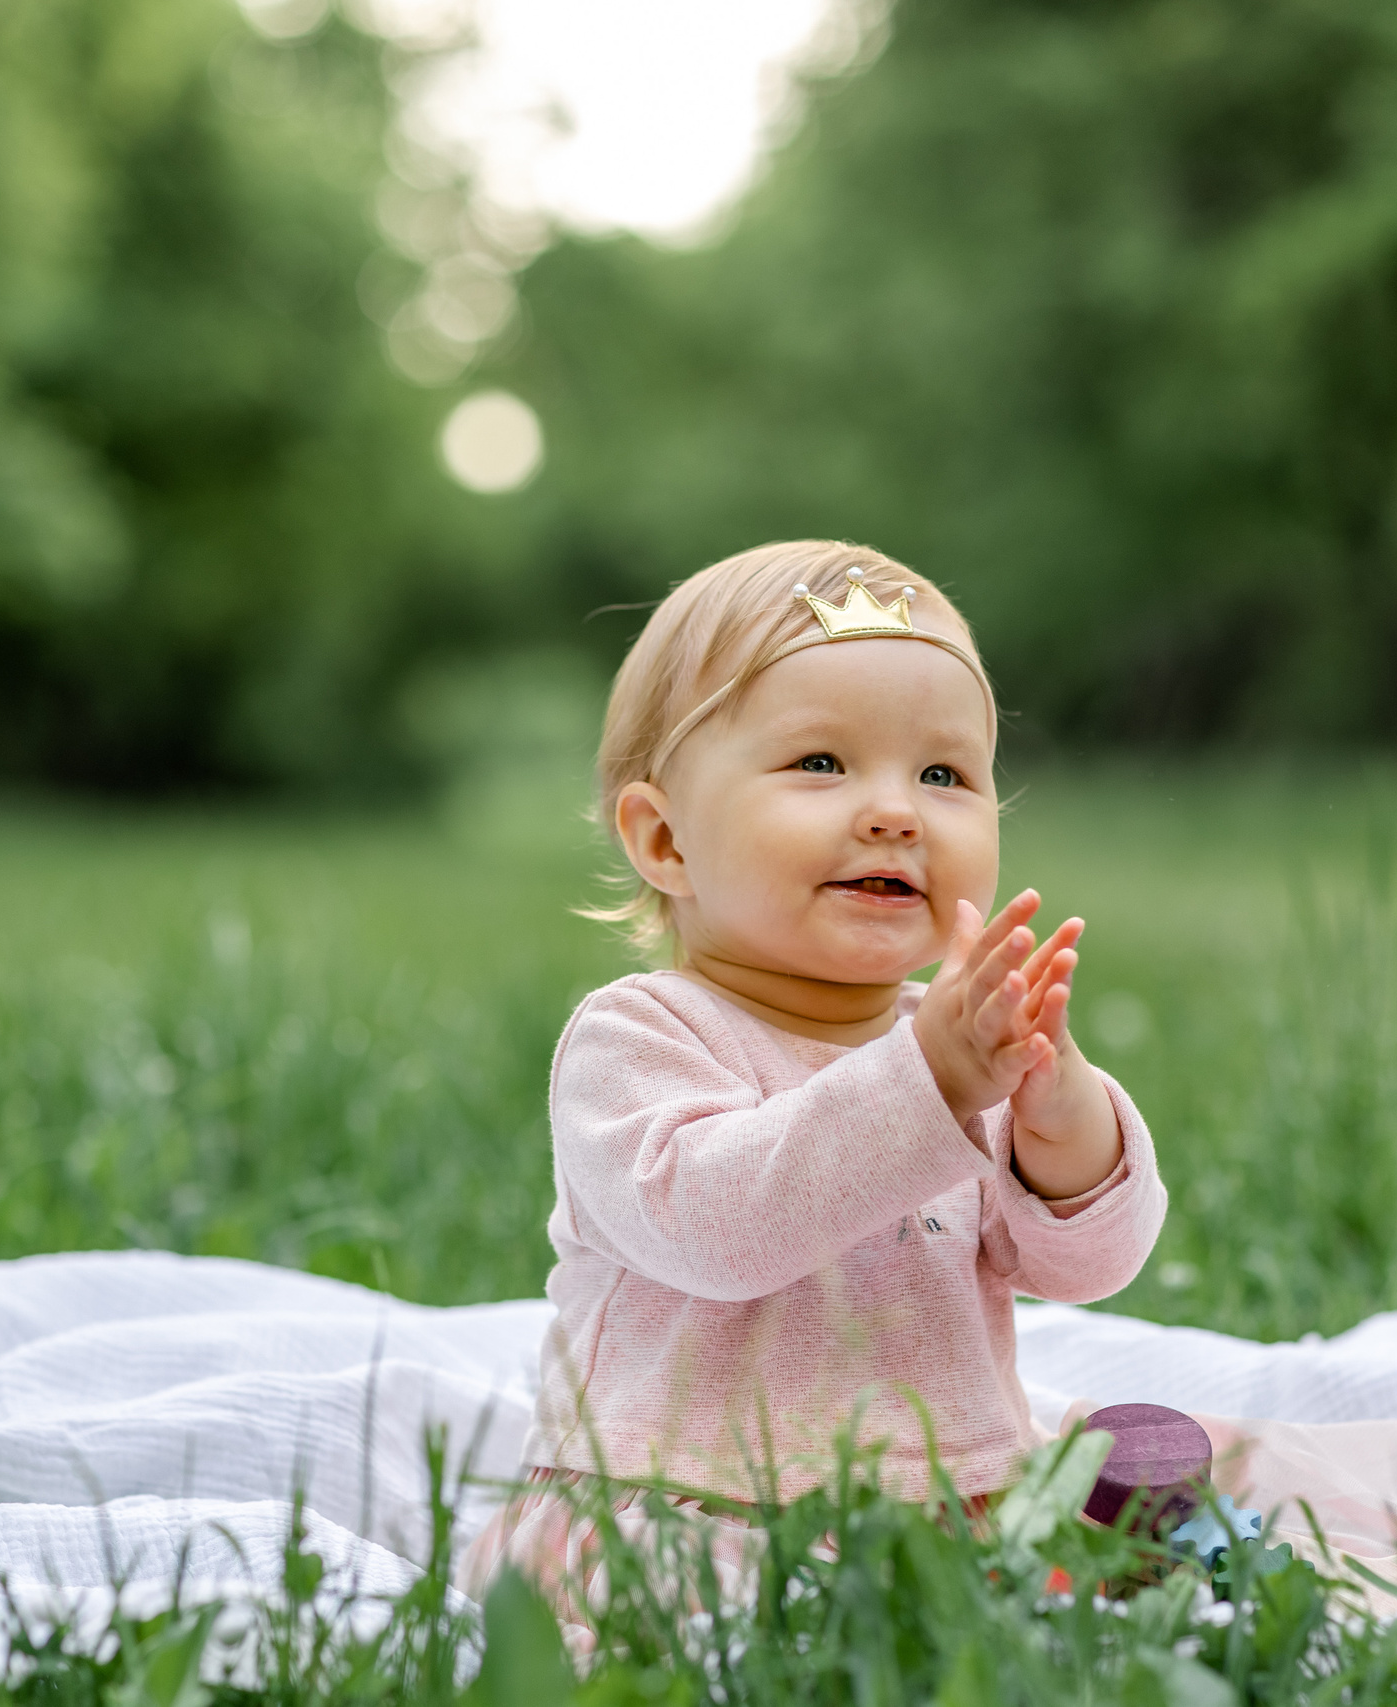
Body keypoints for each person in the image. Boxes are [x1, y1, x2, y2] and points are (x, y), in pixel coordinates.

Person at [458, 539, 1170, 1610]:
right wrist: (930, 1079)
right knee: (635, 1599)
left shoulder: (955, 1047)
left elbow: (1088, 1265)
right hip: (687, 1500)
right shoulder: (638, 1038)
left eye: (944, 775)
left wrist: (1057, 1112)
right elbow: (719, 1227)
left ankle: (1073, 1546)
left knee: (1083, 1500)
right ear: (664, 841)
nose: (896, 811)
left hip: (945, 1500)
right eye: (820, 764)